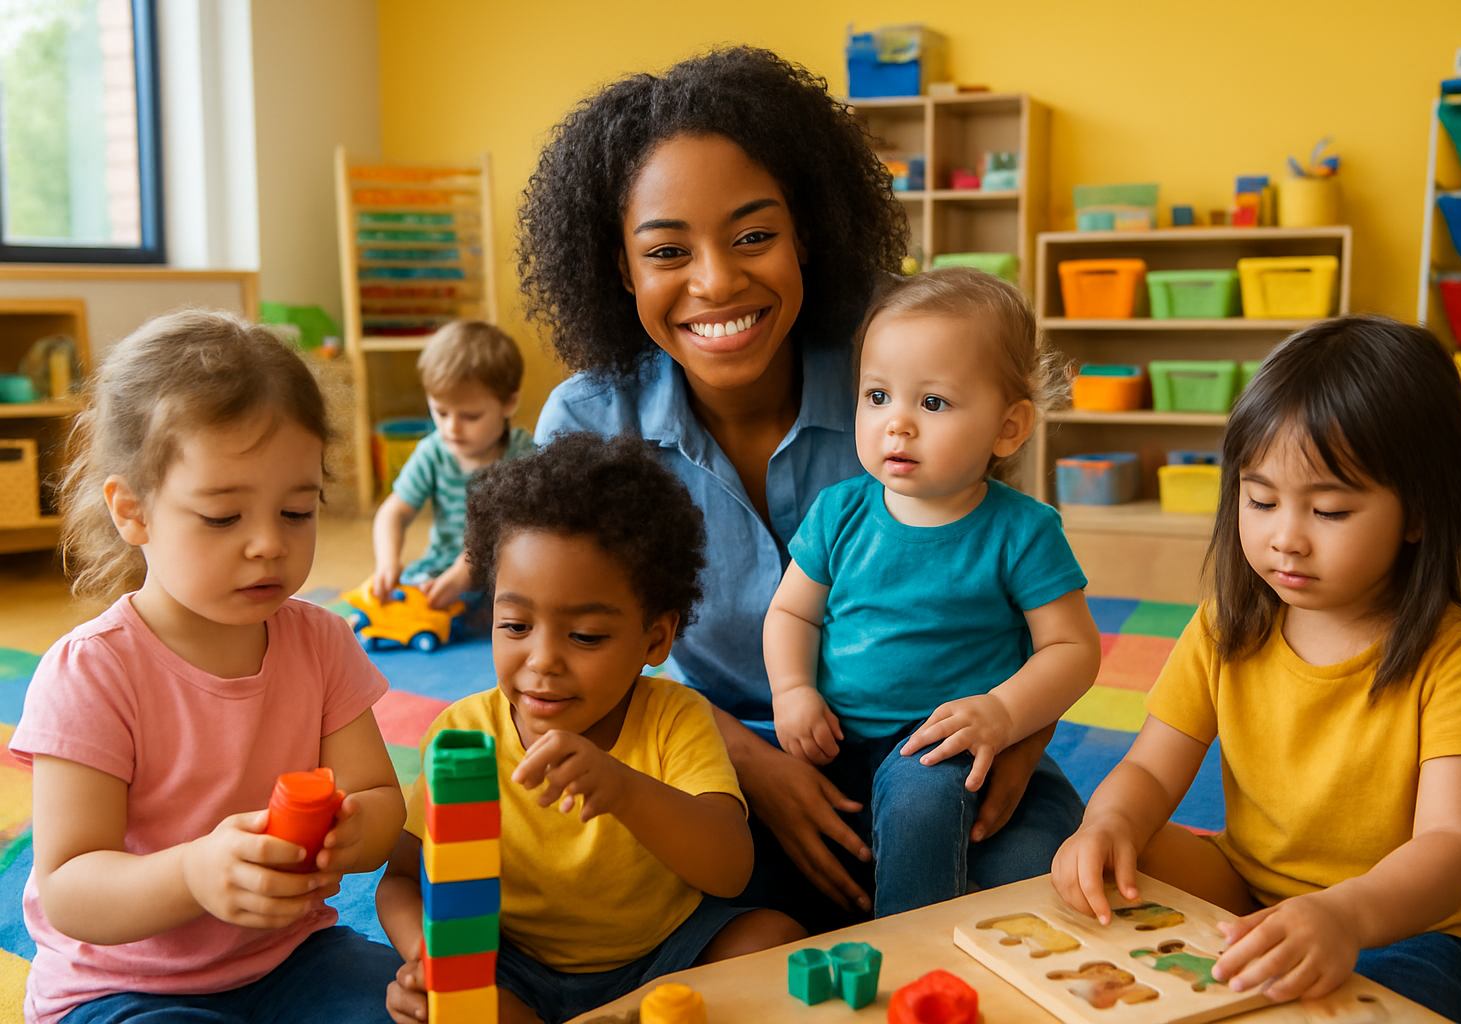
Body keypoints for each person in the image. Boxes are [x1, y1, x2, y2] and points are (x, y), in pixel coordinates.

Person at [522, 45, 1083, 931]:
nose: (716, 281)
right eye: (668, 251)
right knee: (654, 911)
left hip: (939, 735)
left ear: (808, 232)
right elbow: (559, 658)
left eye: (754, 235)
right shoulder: (592, 427)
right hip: (712, 756)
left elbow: (1008, 577)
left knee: (1034, 885)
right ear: (620, 268)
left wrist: (1024, 726)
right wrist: (748, 762)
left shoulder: (907, 365)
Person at [1051, 316, 1461, 1024]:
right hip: (1248, 891)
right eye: (1261, 500)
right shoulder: (1226, 623)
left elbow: (1452, 846)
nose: (1285, 539)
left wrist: (1345, 917)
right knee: (1100, 852)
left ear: (1418, 514)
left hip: (1412, 930)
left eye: (1329, 510)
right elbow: (1150, 771)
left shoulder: (1454, 655)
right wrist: (1108, 824)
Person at [12, 310, 406, 1024]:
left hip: (291, 958)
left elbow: (378, 797)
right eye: (224, 518)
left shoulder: (321, 641)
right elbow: (70, 885)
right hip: (125, 986)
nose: (267, 545)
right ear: (132, 513)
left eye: (296, 511)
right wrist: (194, 872)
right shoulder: (93, 672)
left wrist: (355, 831)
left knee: (416, 1005)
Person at [375, 432, 803, 1024]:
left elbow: (730, 870)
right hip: (514, 968)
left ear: (655, 638)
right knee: (443, 1011)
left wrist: (625, 790)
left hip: (663, 956)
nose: (543, 660)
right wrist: (428, 957)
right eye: (514, 625)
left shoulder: (675, 717)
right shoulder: (463, 735)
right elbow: (398, 880)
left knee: (774, 941)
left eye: (586, 637)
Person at [765, 268, 1100, 917]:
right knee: (770, 855)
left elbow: (1073, 649)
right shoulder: (840, 513)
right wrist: (792, 690)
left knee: (970, 828)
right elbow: (791, 614)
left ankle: (913, 958)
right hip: (839, 750)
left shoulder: (1021, 530)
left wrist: (1002, 712)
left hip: (950, 749)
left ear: (1009, 428)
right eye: (877, 396)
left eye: (934, 403)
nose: (898, 425)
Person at [372, 319, 535, 610]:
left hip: (511, 572)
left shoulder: (523, 454)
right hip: (442, 569)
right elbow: (393, 513)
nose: (451, 428)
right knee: (395, 599)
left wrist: (465, 572)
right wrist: (388, 562)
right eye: (441, 412)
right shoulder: (433, 452)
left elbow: (525, 531)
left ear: (509, 404)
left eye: (470, 416)